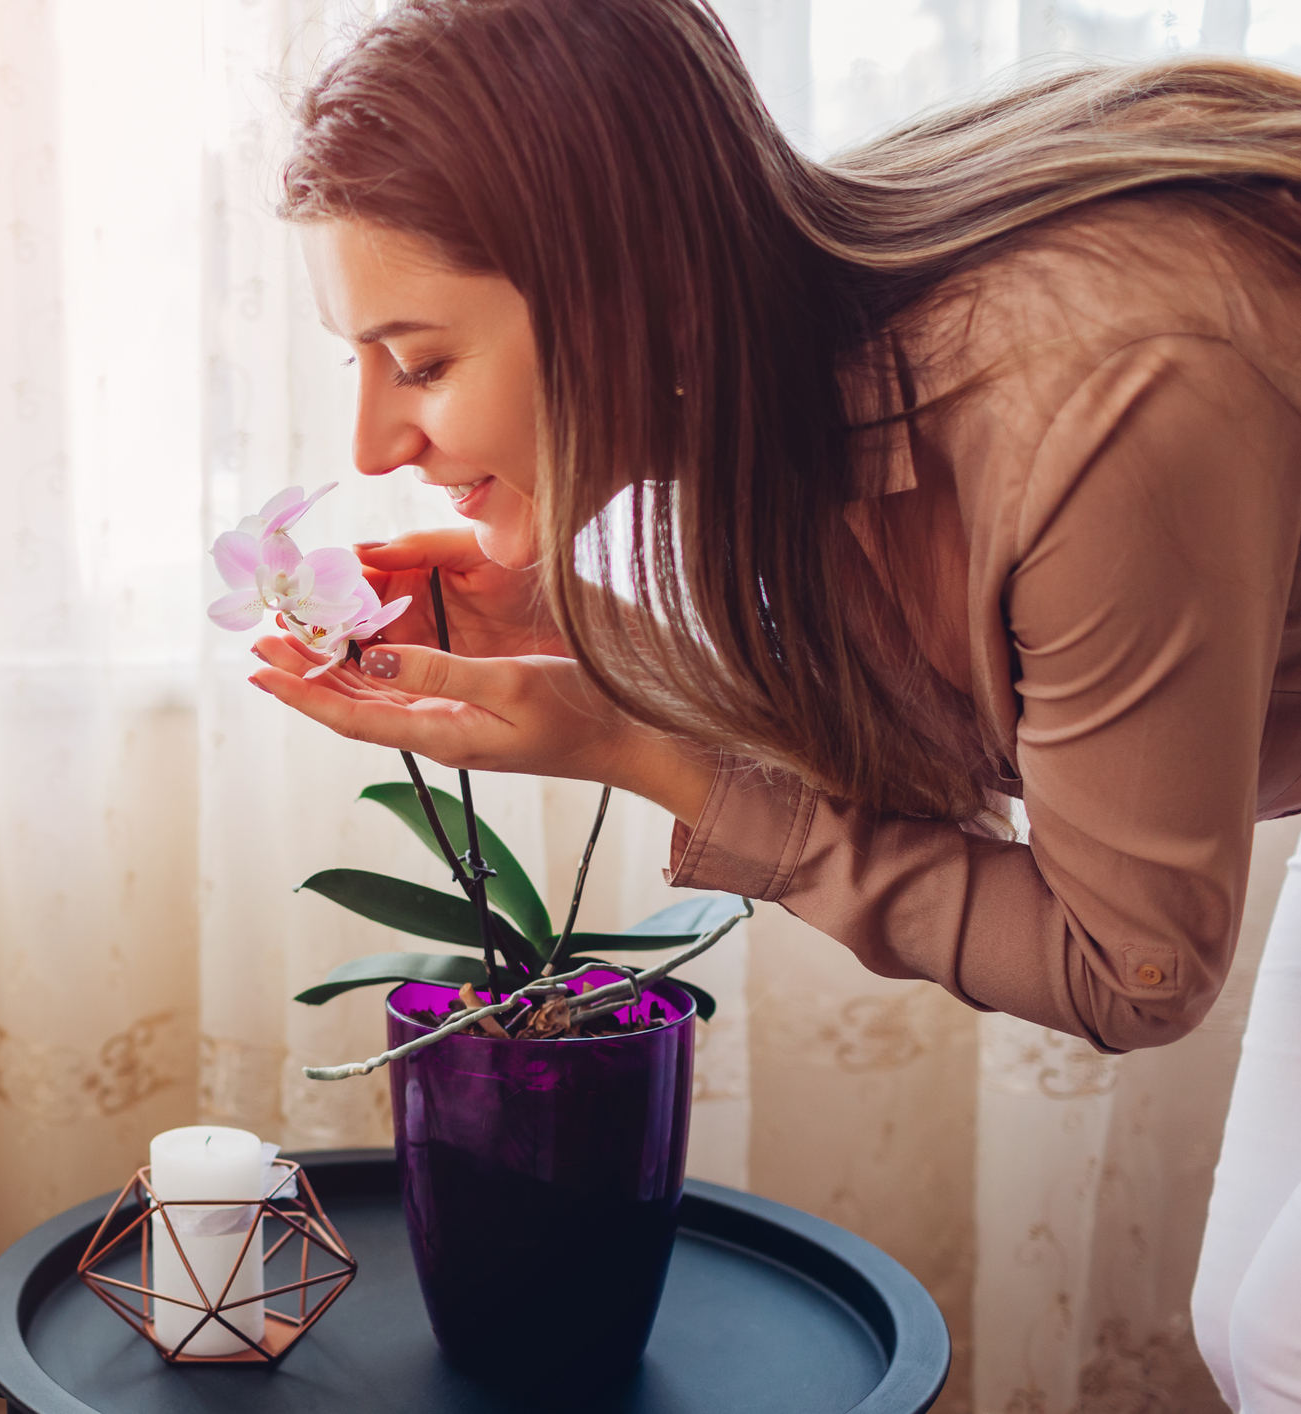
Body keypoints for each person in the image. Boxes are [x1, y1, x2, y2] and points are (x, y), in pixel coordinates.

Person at [243, 0, 1301, 1404]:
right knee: (1248, 1324)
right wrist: (594, 642)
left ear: (637, 296)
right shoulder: (814, 323)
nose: (374, 437)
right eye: (359, 360)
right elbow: (968, 722)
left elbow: (1132, 967)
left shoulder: (1094, 402)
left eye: (423, 362)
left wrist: (637, 742)